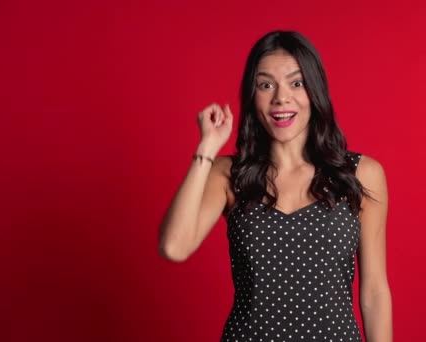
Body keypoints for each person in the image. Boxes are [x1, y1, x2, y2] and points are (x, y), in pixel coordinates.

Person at [158, 30, 392, 342]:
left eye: (296, 83)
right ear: (252, 96)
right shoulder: (228, 174)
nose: (281, 97)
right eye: (266, 85)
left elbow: (374, 291)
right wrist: (207, 148)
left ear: (315, 90)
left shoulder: (361, 174)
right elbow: (174, 247)